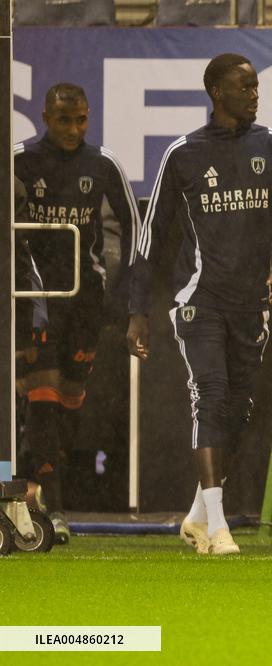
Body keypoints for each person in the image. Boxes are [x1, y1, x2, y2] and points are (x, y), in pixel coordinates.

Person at [127, 53, 272, 555]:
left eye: (255, 86)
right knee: (211, 392)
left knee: (239, 411)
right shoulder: (182, 154)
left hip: (252, 303)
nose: (254, 94)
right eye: (244, 87)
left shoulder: (271, 147)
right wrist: (137, 309)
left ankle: (200, 514)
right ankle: (220, 527)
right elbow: (150, 236)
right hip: (198, 299)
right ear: (217, 93)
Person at [14, 83, 141, 544]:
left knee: (70, 403)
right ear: (46, 116)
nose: (74, 129)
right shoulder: (19, 161)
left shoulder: (103, 164)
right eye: (65, 119)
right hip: (35, 301)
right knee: (42, 399)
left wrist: (122, 292)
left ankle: (35, 476)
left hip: (85, 300)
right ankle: (52, 505)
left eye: (81, 119)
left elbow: (134, 229)